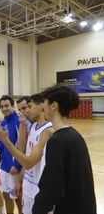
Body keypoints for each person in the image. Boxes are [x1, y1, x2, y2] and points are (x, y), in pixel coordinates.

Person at [32, 85, 97, 214]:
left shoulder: (57, 141)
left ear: (54, 105)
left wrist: (38, 209)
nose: (42, 107)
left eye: (44, 102)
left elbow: (51, 188)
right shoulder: (75, 136)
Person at [0, 93, 54, 214]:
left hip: (39, 187)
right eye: (22, 108)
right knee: (8, 196)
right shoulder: (32, 127)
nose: (25, 111)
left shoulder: (49, 130)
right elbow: (24, 152)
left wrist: (6, 142)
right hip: (28, 183)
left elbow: (28, 161)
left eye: (28, 106)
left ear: (41, 106)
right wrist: (19, 180)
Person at [0, 95, 22, 214]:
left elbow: (23, 147)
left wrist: (18, 165)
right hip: (4, 167)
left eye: (6, 106)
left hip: (14, 168)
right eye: (2, 106)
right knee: (6, 195)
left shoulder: (19, 122)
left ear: (12, 106)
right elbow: (2, 141)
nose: (4, 108)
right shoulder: (4, 121)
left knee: (18, 199)